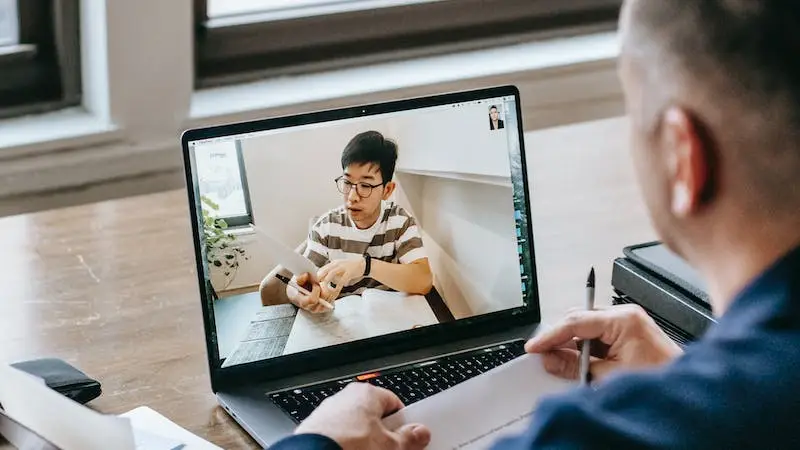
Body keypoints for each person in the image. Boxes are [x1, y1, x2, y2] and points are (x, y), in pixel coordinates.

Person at [271, 0, 800, 448]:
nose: (354, 193)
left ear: (681, 157)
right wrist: (678, 373)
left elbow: (421, 278)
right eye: (347, 182)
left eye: (632, 112)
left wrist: (318, 440)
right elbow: (280, 283)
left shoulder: (588, 435)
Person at [287, 130, 434, 314]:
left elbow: (424, 281)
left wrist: (366, 266)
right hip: (341, 320)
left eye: (365, 186)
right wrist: (303, 297)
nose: (352, 197)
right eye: (347, 183)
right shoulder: (326, 227)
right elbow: (295, 284)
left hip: (389, 318)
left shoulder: (400, 221)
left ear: (387, 190)